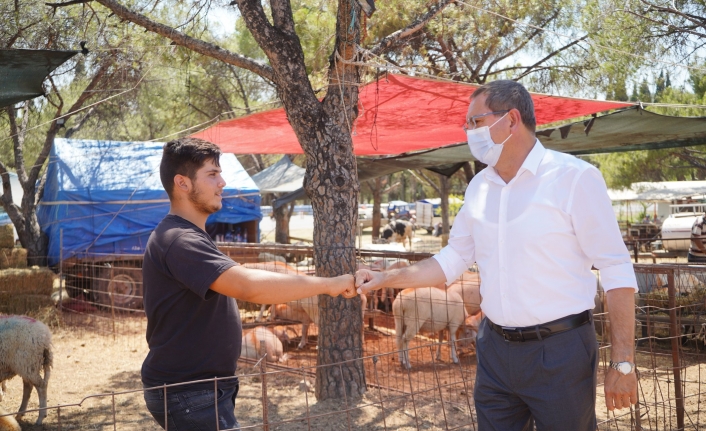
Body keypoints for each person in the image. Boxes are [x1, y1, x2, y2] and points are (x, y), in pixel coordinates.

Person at [355, 80, 638, 431]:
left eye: (475, 122)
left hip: (560, 351)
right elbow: (451, 259)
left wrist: (623, 361)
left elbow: (615, 267)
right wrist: (386, 279)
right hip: (494, 350)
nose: (468, 132)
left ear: (511, 119)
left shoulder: (574, 178)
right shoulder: (479, 187)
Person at [141, 138, 354, 430]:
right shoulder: (180, 239)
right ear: (183, 183)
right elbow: (248, 287)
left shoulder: (187, 235)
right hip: (189, 391)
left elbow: (239, 276)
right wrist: (329, 285)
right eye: (212, 174)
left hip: (199, 390)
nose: (223, 182)